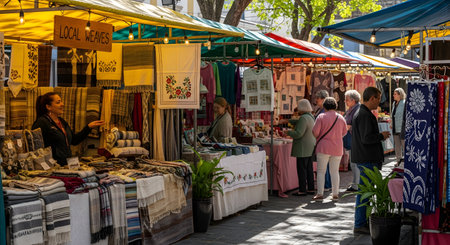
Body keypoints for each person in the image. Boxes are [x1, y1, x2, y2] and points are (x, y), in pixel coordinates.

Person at [352, 87, 391, 234]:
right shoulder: (364, 115)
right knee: (364, 192)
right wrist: (381, 136)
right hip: (367, 158)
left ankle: (362, 222)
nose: (380, 102)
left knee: (365, 192)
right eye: (378, 98)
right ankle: (360, 223)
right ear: (372, 98)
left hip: (366, 157)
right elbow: (366, 138)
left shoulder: (363, 113)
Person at [32, 92, 105, 166]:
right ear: (48, 107)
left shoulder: (62, 121)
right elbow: (35, 147)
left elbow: (74, 140)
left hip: (67, 163)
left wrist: (88, 127)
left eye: (61, 101)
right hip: (53, 166)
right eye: (58, 102)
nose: (62, 104)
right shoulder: (42, 122)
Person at [312, 97, 347, 201]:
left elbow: (315, 132)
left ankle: (320, 194)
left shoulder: (321, 117)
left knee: (321, 171)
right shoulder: (341, 118)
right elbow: (344, 132)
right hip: (337, 147)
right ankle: (335, 194)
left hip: (323, 147)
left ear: (325, 106)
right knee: (335, 172)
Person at [287, 99, 316, 196]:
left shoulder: (303, 118)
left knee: (301, 169)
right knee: (309, 168)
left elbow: (298, 133)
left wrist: (288, 132)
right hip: (310, 146)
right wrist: (288, 121)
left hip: (303, 147)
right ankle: (311, 188)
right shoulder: (310, 116)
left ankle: (302, 190)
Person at [314, 89, 332, 191]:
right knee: (327, 165)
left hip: (323, 140)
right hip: (327, 141)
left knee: (324, 165)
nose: (316, 100)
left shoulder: (323, 112)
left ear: (323, 99)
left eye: (318, 98)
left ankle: (326, 185)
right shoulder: (322, 110)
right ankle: (328, 184)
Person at [343, 90, 361, 192]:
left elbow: (359, 125)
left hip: (355, 139)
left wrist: (350, 127)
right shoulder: (352, 109)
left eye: (347, 100)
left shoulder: (357, 109)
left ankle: (356, 185)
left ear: (353, 100)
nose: (345, 102)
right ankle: (355, 184)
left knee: (355, 163)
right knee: (353, 163)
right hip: (352, 139)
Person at [391, 88, 406, 165]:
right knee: (397, 146)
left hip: (402, 127)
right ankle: (398, 161)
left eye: (395, 94)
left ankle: (406, 162)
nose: (393, 95)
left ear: (400, 95)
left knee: (404, 145)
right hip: (395, 127)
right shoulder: (394, 103)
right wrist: (391, 124)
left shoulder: (404, 103)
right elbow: (392, 115)